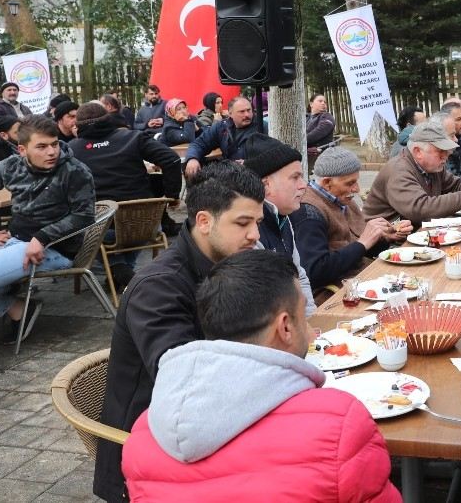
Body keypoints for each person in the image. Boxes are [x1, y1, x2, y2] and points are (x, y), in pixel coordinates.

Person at [121, 250, 401, 502]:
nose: (311, 328)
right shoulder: (340, 422)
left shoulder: (144, 432)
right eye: (304, 313)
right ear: (285, 327)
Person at [94, 161, 265, 502]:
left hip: (210, 426)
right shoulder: (159, 288)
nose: (255, 235)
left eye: (257, 223)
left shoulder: (229, 262)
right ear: (204, 221)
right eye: (243, 223)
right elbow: (186, 384)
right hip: (152, 455)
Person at [0, 115, 94, 344]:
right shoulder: (12, 165)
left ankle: (6, 292)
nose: (52, 152)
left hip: (55, 249)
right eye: (41, 147)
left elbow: (84, 216)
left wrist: (42, 238)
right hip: (15, 242)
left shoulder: (75, 171)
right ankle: (16, 308)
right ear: (22, 150)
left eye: (54, 144)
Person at [70, 102, 183, 282]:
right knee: (132, 219)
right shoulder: (133, 137)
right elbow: (171, 160)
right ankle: (121, 270)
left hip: (101, 228)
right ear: (109, 119)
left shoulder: (72, 150)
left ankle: (117, 267)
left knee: (73, 223)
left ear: (77, 126)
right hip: (144, 222)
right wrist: (172, 196)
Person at [292, 147, 412, 290]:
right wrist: (363, 242)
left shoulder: (342, 199)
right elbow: (315, 272)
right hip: (334, 293)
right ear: (326, 183)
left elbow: (362, 250)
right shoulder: (308, 213)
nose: (356, 189)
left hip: (360, 279)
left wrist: (385, 237)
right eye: (350, 183)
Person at [365, 119, 461, 229]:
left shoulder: (432, 166)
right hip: (383, 244)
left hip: (415, 232)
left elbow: (454, 186)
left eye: (447, 150)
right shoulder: (398, 171)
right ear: (418, 152)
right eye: (440, 151)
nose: (446, 156)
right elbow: (420, 209)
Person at [241, 134, 317, 313]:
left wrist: (313, 320)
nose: (303, 185)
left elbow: (299, 276)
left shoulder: (282, 215)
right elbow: (265, 302)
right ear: (265, 185)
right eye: (295, 177)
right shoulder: (250, 230)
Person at [184, 96, 256, 177]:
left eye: (249, 110)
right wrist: (193, 159)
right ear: (230, 114)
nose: (247, 114)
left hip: (255, 174)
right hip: (230, 175)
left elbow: (271, 155)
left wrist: (250, 163)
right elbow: (199, 144)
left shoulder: (262, 126)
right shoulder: (222, 127)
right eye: (242, 111)